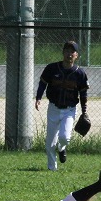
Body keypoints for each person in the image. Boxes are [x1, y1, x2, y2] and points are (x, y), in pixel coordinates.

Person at [35, 40, 89, 171]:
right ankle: (52, 169)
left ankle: (61, 147)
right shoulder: (52, 68)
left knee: (65, 137)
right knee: (50, 143)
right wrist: (38, 98)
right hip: (53, 108)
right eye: (67, 51)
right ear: (63, 53)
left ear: (76, 55)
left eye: (72, 51)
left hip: (69, 110)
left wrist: (84, 111)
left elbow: (83, 93)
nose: (69, 54)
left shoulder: (80, 73)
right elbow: (43, 83)